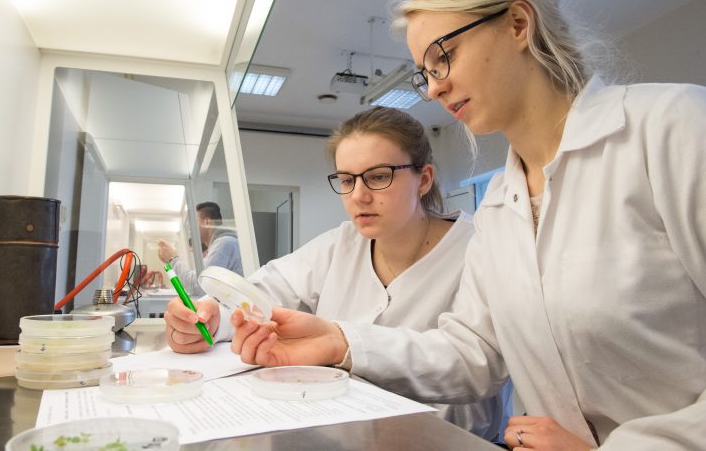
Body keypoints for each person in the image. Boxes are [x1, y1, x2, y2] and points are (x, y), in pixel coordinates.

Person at [227, 0, 706, 451]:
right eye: (425, 73)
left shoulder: (670, 129)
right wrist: (339, 342)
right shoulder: (500, 204)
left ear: (518, 24)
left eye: (444, 57)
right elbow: (473, 354)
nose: (434, 89)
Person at [164, 107, 512, 441]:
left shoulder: (478, 247)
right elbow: (263, 291)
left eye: (378, 176)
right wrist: (213, 318)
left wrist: (342, 343)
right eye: (347, 180)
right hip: (342, 432)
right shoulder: (340, 244)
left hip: (446, 440)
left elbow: (477, 365)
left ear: (424, 179)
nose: (358, 196)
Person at [158, 201, 243, 296]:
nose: (191, 229)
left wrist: (173, 258)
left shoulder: (224, 244)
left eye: (194, 223)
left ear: (206, 222)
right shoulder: (221, 244)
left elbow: (198, 286)